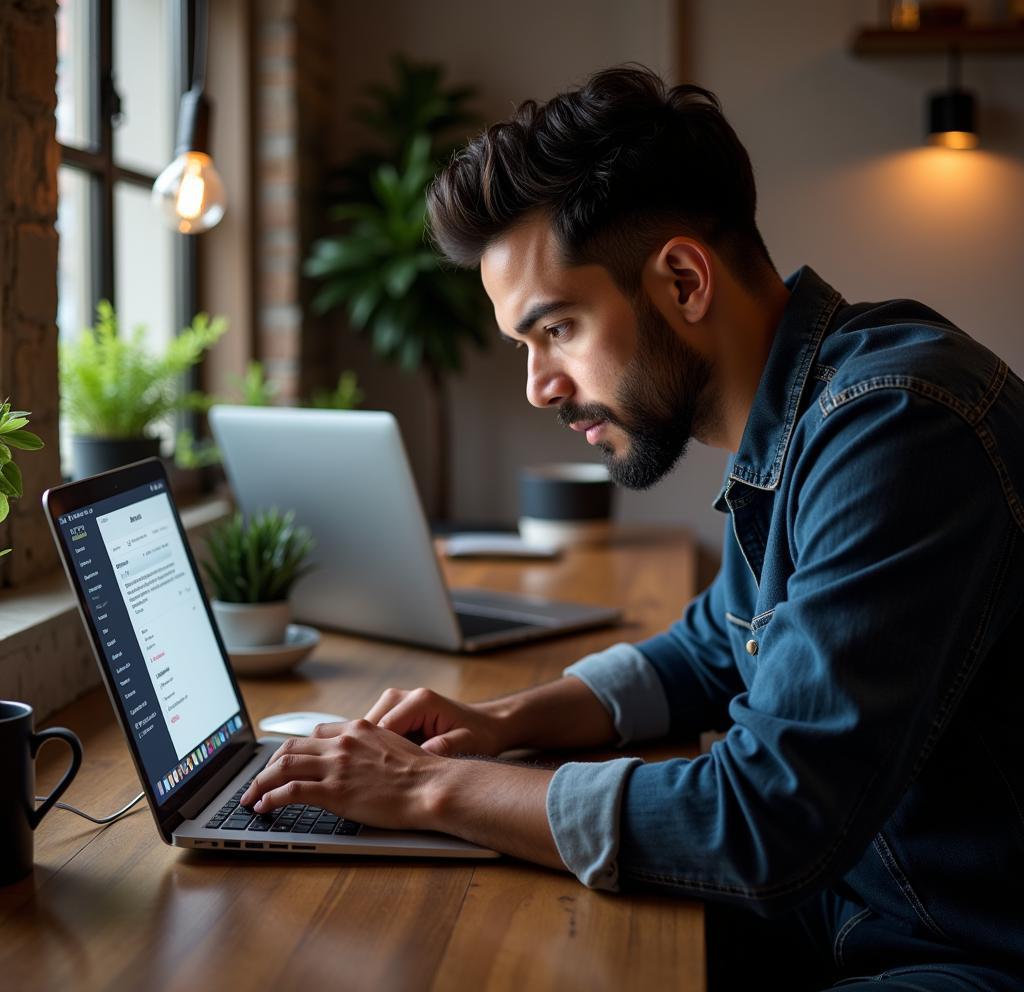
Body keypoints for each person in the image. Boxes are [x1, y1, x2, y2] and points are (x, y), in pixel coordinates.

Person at [240, 66, 1024, 989]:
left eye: (557, 329)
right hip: (858, 905)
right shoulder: (807, 411)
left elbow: (768, 819)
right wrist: (498, 724)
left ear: (683, 279)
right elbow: (714, 650)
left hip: (960, 949)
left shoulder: (896, 427)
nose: (539, 386)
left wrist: (427, 788)